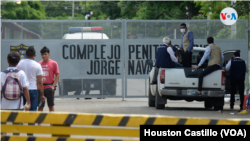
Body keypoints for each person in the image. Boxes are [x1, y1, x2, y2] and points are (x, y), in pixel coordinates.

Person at [0, 51, 30, 135]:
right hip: (18, 105)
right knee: (16, 127)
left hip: (4, 105)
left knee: (2, 127)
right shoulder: (21, 73)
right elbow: (25, 89)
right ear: (18, 62)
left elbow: (0, 91)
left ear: (8, 61)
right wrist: (28, 102)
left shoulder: (2, 74)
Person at [17, 47, 45, 111]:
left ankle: (20, 121)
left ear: (25, 54)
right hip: (33, 89)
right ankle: (31, 121)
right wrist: (42, 94)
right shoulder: (37, 65)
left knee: (19, 110)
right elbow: (40, 82)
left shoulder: (19, 64)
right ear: (35, 55)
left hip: (21, 89)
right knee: (32, 111)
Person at [38, 46, 60, 112]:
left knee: (51, 106)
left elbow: (57, 75)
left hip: (49, 88)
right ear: (40, 55)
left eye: (45, 54)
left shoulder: (54, 63)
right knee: (40, 106)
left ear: (49, 54)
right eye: (42, 54)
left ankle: (52, 122)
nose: (44, 56)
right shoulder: (39, 64)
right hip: (41, 88)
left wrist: (53, 86)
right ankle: (39, 122)